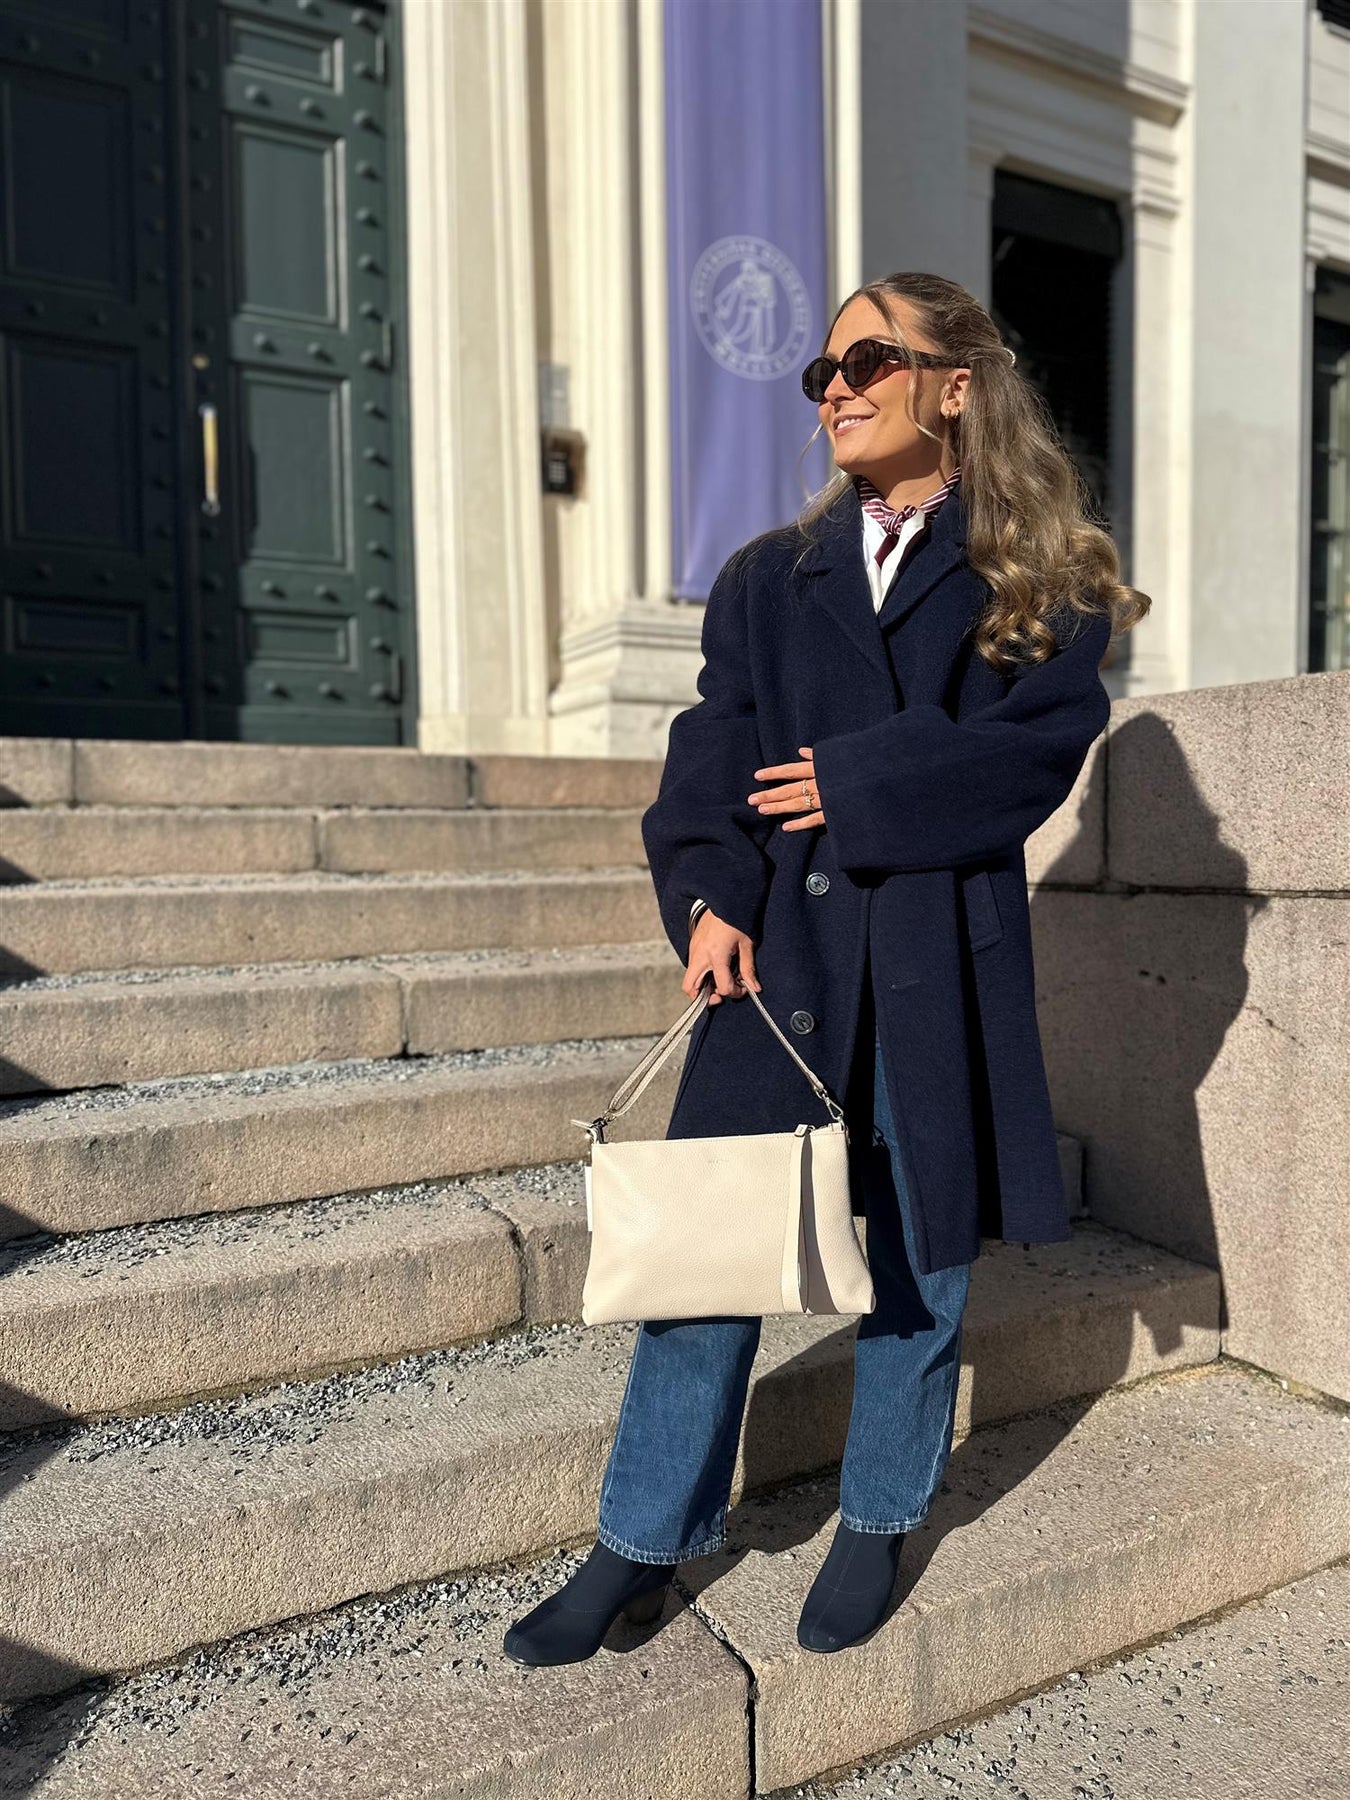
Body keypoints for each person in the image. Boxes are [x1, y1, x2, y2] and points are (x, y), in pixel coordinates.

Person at [504, 271, 1150, 1666]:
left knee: (918, 1250)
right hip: (779, 956)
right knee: (705, 1254)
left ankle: (878, 1515)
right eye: (822, 373)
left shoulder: (1038, 576)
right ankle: (637, 1541)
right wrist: (706, 896)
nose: (836, 390)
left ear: (955, 385)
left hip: (932, 953)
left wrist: (859, 782)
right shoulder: (767, 577)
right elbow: (713, 747)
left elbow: (1040, 750)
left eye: (868, 361)